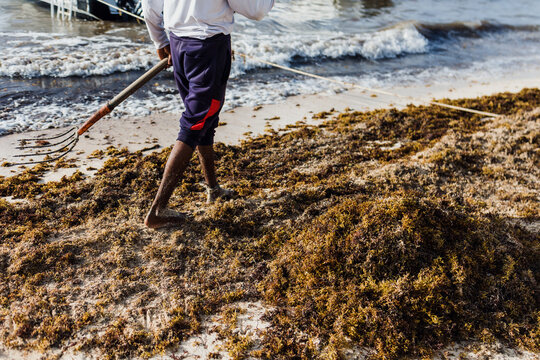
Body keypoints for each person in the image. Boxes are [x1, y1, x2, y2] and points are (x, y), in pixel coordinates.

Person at [141, 0, 274, 229]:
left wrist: (160, 41)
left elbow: (149, 6)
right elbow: (257, 10)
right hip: (207, 50)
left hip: (179, 44)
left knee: (204, 121)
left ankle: (213, 189)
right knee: (194, 124)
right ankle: (158, 211)